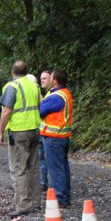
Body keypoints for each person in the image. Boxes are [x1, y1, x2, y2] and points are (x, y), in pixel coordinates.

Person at [0, 60, 41, 217]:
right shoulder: (34, 86)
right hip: (35, 129)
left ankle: (23, 205)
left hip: (19, 131)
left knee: (18, 168)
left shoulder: (12, 87)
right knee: (33, 166)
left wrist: (0, 131)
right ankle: (36, 202)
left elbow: (7, 111)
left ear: (12, 72)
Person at [39, 69, 73, 207]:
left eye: (50, 77)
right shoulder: (64, 93)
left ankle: (61, 199)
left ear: (55, 80)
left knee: (56, 169)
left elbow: (40, 111)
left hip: (54, 138)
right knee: (63, 167)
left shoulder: (56, 97)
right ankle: (64, 197)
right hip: (61, 137)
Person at [38, 69, 53, 193]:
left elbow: (42, 113)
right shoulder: (45, 94)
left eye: (45, 78)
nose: (42, 80)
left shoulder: (50, 95)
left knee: (45, 159)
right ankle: (43, 184)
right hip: (44, 132)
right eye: (41, 78)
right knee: (42, 159)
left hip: (50, 133)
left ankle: (47, 185)